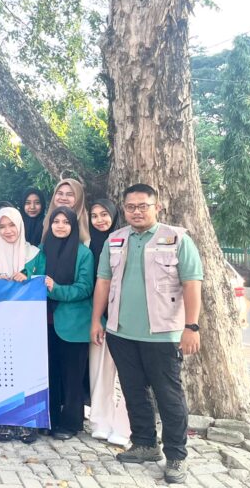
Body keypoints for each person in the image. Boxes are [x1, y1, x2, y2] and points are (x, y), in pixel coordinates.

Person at [91, 184, 203, 484]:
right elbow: (103, 282)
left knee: (169, 396)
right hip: (121, 332)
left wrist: (191, 326)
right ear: (124, 209)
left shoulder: (177, 239)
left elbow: (192, 283)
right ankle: (145, 444)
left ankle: (176, 456)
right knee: (133, 391)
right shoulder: (115, 239)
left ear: (157, 207)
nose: (137, 212)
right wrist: (96, 321)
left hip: (163, 334)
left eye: (143, 206)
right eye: (131, 207)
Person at [0, 206, 45, 444]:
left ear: (20, 226)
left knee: (28, 369)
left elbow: (44, 280)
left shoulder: (35, 254)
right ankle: (5, 420)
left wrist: (28, 278)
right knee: (1, 370)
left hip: (27, 322)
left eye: (12, 225)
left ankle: (29, 422)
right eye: (2, 226)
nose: (7, 231)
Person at [41, 207, 94, 441]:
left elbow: (85, 288)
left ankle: (71, 423)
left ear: (74, 226)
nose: (60, 226)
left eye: (66, 222)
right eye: (56, 221)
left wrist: (56, 289)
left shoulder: (84, 254)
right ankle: (50, 419)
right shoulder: (42, 250)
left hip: (73, 324)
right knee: (49, 374)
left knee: (72, 377)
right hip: (44, 323)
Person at [86, 198, 129, 446]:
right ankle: (100, 421)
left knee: (128, 375)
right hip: (97, 314)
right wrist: (96, 318)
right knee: (99, 371)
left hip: (125, 315)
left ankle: (123, 425)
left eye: (104, 214)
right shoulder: (87, 244)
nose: (99, 220)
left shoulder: (125, 241)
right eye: (94, 215)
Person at [44, 178, 90, 245]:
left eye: (70, 194)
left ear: (79, 198)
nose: (64, 198)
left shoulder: (90, 224)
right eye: (60, 193)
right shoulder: (46, 221)